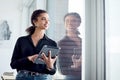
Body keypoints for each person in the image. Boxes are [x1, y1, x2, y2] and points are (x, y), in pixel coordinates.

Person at [10, 9, 58, 80]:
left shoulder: (52, 43)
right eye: (43, 19)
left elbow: (53, 71)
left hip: (43, 78)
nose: (47, 22)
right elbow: (13, 64)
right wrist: (28, 59)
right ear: (35, 21)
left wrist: (50, 66)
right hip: (23, 77)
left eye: (48, 20)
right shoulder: (22, 40)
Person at [58, 12, 82, 80]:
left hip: (87, 74)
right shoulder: (61, 44)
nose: (70, 23)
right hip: (72, 77)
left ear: (79, 23)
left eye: (73, 20)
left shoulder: (84, 42)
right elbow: (62, 70)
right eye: (67, 21)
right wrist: (75, 66)